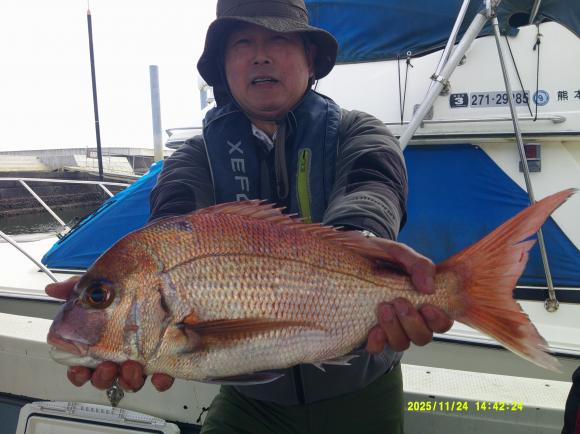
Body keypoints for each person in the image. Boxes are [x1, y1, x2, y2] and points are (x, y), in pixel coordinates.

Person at [46, 0, 453, 432]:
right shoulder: (193, 158)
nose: (261, 55)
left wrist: (366, 244)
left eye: (279, 39)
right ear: (223, 67)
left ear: (310, 58)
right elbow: (171, 221)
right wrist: (118, 292)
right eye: (242, 42)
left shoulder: (359, 132)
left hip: (363, 389)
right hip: (250, 402)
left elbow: (372, 190)